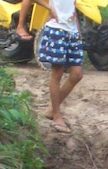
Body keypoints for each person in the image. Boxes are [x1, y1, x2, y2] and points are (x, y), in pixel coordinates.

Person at [33, 0, 82, 134]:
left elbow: (73, 7)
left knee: (77, 74)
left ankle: (51, 110)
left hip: (72, 31)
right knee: (57, 73)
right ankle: (57, 116)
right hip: (57, 29)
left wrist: (78, 30)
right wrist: (50, 8)